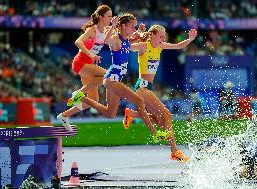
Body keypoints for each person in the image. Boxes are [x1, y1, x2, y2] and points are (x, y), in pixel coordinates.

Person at [69, 13, 171, 142]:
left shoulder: (126, 40)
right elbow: (106, 41)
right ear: (124, 26)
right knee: (139, 101)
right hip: (112, 78)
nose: (134, 29)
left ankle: (81, 97)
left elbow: (132, 42)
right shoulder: (115, 39)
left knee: (110, 114)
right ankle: (155, 134)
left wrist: (140, 33)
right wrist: (112, 26)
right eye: (132, 26)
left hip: (115, 79)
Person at [122, 25, 197, 162]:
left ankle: (131, 114)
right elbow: (128, 47)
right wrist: (134, 36)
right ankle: (174, 151)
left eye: (164, 36)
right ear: (153, 35)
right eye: (161, 36)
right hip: (142, 88)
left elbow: (179, 46)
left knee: (161, 120)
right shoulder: (144, 45)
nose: (163, 38)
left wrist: (190, 39)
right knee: (167, 115)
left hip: (148, 88)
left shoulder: (161, 46)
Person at [57, 5, 118, 131]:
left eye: (111, 16)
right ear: (101, 17)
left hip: (89, 64)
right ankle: (79, 93)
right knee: (108, 75)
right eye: (109, 16)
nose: (110, 18)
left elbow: (114, 38)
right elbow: (78, 42)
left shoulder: (106, 30)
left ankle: (64, 115)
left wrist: (115, 26)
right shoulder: (92, 30)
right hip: (81, 62)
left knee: (93, 100)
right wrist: (90, 54)